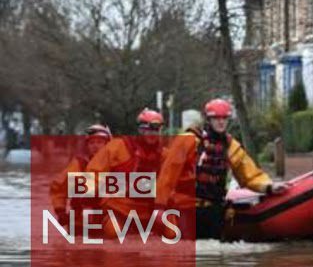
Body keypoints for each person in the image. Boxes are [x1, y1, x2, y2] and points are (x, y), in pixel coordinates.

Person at [155, 98, 289, 240]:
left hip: (214, 210)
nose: (221, 122)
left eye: (224, 118)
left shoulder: (231, 146)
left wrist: (269, 186)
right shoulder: (188, 141)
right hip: (186, 209)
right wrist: (159, 205)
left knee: (212, 253)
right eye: (216, 118)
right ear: (208, 119)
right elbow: (168, 175)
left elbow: (249, 174)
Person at [86, 109, 170, 239]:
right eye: (147, 130)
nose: (151, 134)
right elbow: (93, 174)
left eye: (155, 130)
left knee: (173, 232)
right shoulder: (118, 147)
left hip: (149, 212)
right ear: (139, 130)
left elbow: (173, 183)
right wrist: (90, 202)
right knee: (114, 232)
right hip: (119, 209)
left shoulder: (165, 156)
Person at [50, 124, 112, 231]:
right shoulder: (79, 165)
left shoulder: (117, 166)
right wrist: (60, 211)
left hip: (107, 220)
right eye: (91, 142)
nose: (95, 146)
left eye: (99, 142)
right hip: (80, 221)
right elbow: (59, 188)